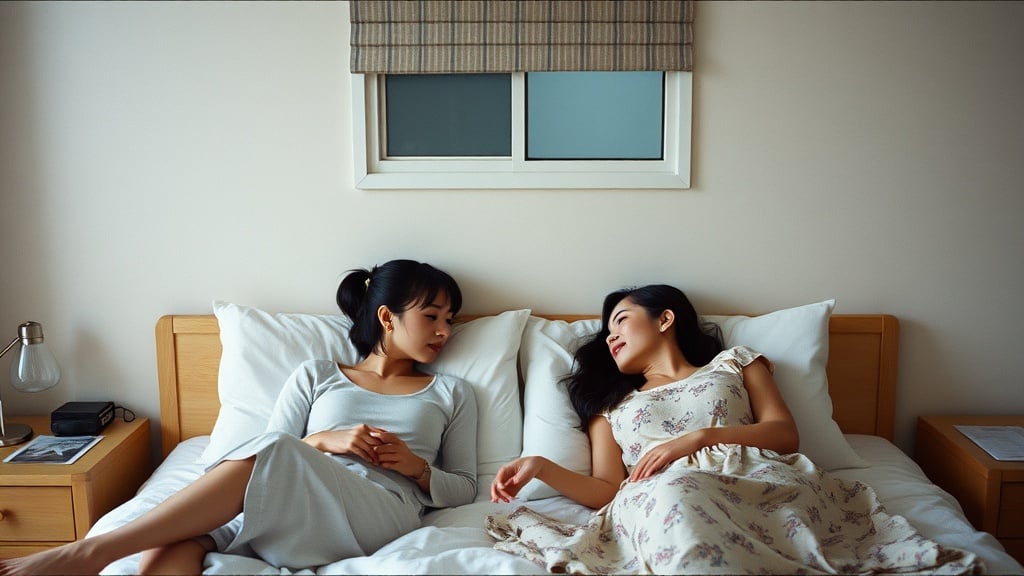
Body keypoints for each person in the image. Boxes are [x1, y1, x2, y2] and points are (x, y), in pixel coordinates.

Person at [1, 259, 477, 576]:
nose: (444, 330)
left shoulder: (453, 392)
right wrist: (325, 441)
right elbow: (272, 446)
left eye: (450, 319)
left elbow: (467, 487)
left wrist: (415, 467)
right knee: (177, 538)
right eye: (432, 316)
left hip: (379, 511)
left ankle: (90, 552)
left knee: (268, 457)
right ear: (388, 317)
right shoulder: (317, 374)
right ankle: (106, 553)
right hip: (293, 496)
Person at [487, 284, 980, 574]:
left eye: (620, 320)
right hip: (661, 495)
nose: (610, 335)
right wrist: (541, 467)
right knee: (676, 495)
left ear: (665, 318)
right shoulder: (611, 406)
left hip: (757, 480)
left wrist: (699, 438)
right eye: (607, 330)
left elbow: (785, 435)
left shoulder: (735, 363)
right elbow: (607, 491)